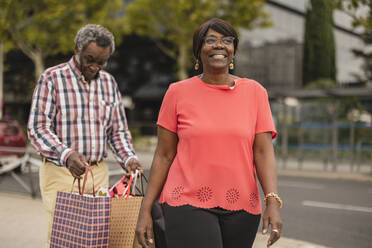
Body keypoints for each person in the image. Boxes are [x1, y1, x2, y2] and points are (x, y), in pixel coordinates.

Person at [135, 18, 282, 248]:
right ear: (198, 52)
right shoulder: (177, 93)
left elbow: (263, 152)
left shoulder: (255, 93)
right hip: (186, 201)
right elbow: (164, 155)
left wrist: (272, 201)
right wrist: (145, 209)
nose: (219, 45)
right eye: (210, 40)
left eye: (227, 40)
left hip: (243, 207)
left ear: (234, 51)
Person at [27, 24, 142, 247]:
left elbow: (117, 131)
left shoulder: (109, 83)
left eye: (102, 62)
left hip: (98, 174)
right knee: (67, 241)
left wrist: (129, 158)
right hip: (61, 174)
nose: (95, 67)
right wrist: (66, 155)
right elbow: (38, 128)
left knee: (99, 241)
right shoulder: (52, 78)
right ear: (76, 49)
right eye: (90, 59)